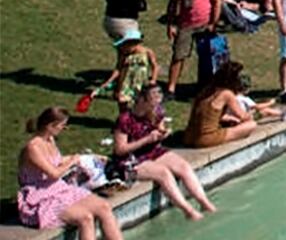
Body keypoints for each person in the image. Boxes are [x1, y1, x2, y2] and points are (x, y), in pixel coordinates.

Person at [112, 84, 215, 221]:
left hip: (152, 151)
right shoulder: (125, 120)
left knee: (183, 166)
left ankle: (204, 203)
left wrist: (163, 134)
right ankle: (188, 210)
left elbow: (160, 129)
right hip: (130, 160)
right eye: (152, 103)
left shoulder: (157, 111)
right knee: (164, 174)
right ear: (142, 100)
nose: (156, 107)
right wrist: (146, 140)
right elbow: (120, 150)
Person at [16, 107, 123, 238]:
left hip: (58, 189)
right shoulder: (33, 148)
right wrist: (72, 161)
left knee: (104, 207)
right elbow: (54, 173)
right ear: (51, 125)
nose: (64, 129)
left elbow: (57, 160)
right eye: (62, 126)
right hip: (39, 197)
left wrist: (87, 157)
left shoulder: (49, 139)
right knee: (85, 218)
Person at [164, 0, 222, 95]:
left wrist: (213, 23)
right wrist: (171, 24)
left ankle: (205, 85)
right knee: (178, 55)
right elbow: (173, 4)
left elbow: (217, 2)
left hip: (205, 22)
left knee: (207, 57)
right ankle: (171, 88)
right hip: (186, 23)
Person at [183, 62, 257, 148]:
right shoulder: (226, 94)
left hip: (189, 137)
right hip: (206, 139)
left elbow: (208, 115)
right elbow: (243, 117)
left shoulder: (206, 90)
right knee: (251, 125)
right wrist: (255, 111)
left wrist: (231, 118)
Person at [90, 30, 158, 111]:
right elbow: (118, 69)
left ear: (133, 43)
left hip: (140, 83)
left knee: (140, 104)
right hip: (126, 83)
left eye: (124, 45)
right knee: (122, 101)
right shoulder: (125, 55)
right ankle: (123, 117)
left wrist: (153, 79)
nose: (122, 48)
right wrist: (108, 82)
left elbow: (155, 66)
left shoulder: (147, 52)